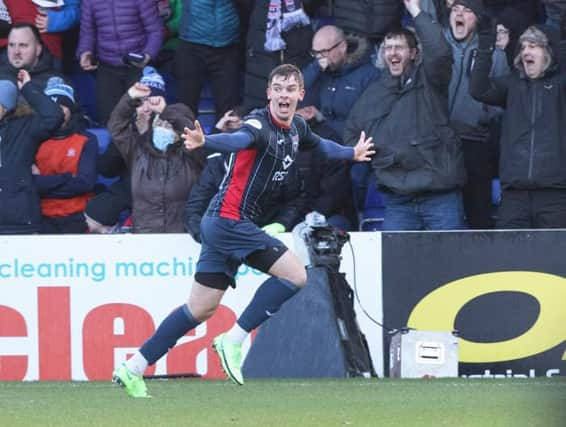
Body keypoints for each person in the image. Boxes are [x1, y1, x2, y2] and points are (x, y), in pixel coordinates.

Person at [112, 63, 374, 397]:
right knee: (296, 276)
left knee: (199, 308)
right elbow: (238, 139)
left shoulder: (297, 128)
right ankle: (232, 341)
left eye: (289, 88)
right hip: (228, 221)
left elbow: (321, 145)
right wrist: (207, 140)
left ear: (300, 94)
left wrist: (351, 152)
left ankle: (132, 366)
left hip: (220, 223)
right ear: (268, 93)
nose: (283, 94)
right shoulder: (259, 123)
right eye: (277, 88)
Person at [343, 0, 466, 231]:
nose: (392, 53)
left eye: (399, 47)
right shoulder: (374, 92)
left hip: (440, 198)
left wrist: (416, 12)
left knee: (453, 265)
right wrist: (383, 156)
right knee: (399, 267)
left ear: (414, 53)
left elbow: (439, 52)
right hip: (398, 202)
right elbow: (352, 136)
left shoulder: (431, 81)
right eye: (388, 48)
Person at [470, 20, 566, 228]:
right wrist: (486, 44)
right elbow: (478, 90)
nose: (525, 52)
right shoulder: (511, 84)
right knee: (509, 259)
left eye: (533, 46)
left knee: (555, 260)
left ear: (548, 52)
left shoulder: (561, 86)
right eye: (522, 47)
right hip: (515, 195)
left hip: (555, 195)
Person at [107, 66, 206, 233]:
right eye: (160, 123)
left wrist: (166, 112)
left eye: (170, 126)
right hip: (146, 240)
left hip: (184, 239)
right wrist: (129, 98)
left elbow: (195, 135)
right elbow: (116, 127)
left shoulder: (193, 155)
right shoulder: (138, 152)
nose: (163, 128)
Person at [301, 24, 379, 223]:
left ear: (342, 47)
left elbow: (366, 124)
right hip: (327, 150)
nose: (321, 59)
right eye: (316, 54)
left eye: (324, 52)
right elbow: (296, 89)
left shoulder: (367, 75)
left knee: (354, 177)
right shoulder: (321, 74)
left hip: (356, 149)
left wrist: (323, 120)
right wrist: (316, 68)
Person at [443, 0, 509, 229]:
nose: (459, 14)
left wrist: (482, 116)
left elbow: (501, 101)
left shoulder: (493, 54)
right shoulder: (436, 47)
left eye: (467, 10)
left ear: (478, 19)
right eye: (455, 9)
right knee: (444, 215)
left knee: (478, 214)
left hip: (476, 143)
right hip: (440, 143)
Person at [76, 0, 163, 125]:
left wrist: (148, 55)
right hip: (107, 67)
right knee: (109, 119)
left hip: (138, 66)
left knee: (142, 119)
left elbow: (155, 30)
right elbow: (87, 33)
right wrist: (85, 52)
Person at [0, 69, 63, 234]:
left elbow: (54, 116)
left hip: (20, 220)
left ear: (5, 107)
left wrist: (28, 88)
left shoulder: (25, 127)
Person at [33, 77, 98, 233]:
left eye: (62, 106)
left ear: (71, 109)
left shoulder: (86, 140)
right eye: (51, 106)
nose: (56, 111)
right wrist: (67, 178)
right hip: (40, 217)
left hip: (77, 217)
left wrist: (43, 184)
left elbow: (85, 183)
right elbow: (28, 184)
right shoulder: (32, 139)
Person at [173, 0, 241, 121]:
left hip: (228, 46)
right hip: (191, 44)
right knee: (185, 109)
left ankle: (222, 140)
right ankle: (184, 140)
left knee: (228, 113)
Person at [0, 23, 62, 89]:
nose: (16, 52)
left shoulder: (55, 82)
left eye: (23, 45)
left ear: (38, 49)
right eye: (11, 45)